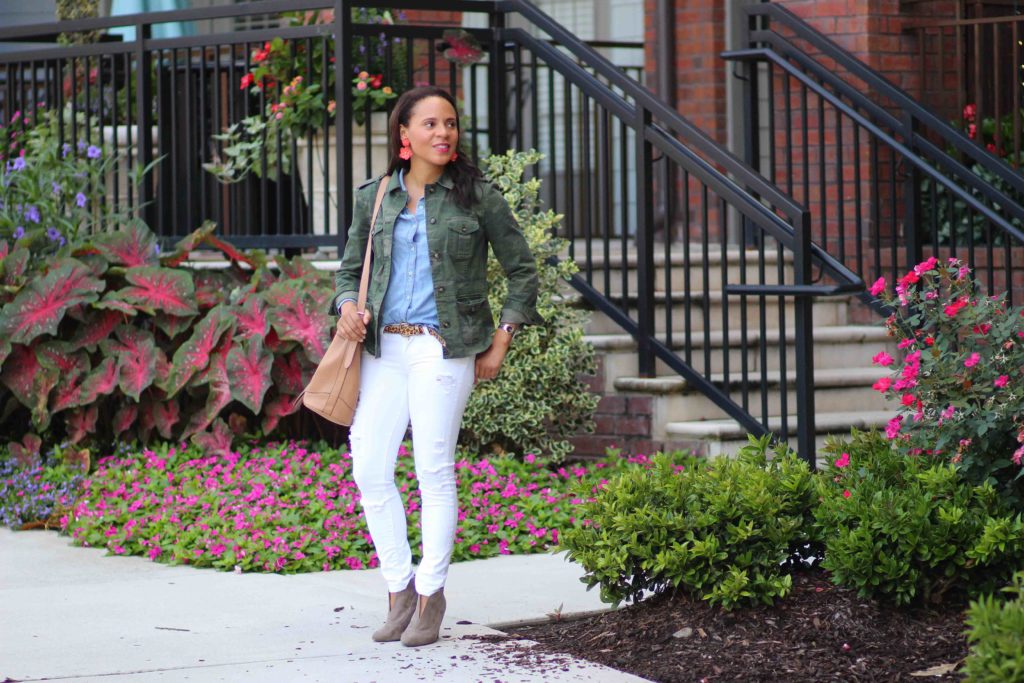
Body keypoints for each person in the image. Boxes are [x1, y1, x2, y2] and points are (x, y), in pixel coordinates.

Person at [332, 86, 541, 648]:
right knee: (369, 468)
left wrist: (500, 341)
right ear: (405, 137)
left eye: (450, 123)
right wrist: (348, 307)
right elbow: (348, 269)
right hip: (384, 349)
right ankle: (399, 586)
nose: (443, 133)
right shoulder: (375, 197)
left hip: (443, 349)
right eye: (430, 124)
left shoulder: (479, 198)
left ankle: (431, 593)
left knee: (433, 468)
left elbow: (522, 271)